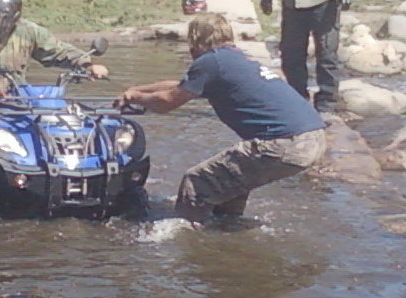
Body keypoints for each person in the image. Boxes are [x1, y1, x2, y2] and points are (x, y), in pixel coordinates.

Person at [117, 13, 328, 224]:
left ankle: (185, 234)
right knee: (229, 184)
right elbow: (179, 86)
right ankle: (227, 228)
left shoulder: (211, 62)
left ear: (196, 39)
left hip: (286, 142)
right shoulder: (233, 59)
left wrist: (135, 98)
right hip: (313, 138)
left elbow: (166, 103)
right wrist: (135, 90)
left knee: (197, 181)